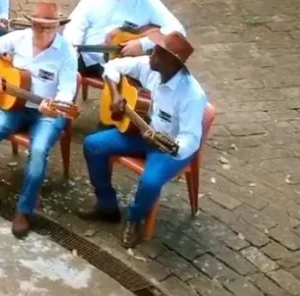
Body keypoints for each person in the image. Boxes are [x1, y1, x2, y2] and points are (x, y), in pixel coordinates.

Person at [0, 0, 78, 239]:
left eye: (48, 27)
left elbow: (66, 92)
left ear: (57, 27)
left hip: (47, 113)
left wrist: (55, 107)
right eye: (38, 26)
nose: (42, 32)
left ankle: (24, 210)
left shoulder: (67, 53)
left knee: (39, 149)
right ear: (31, 24)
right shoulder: (20, 38)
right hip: (14, 106)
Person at [79, 31, 207, 248]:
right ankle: (107, 205)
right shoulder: (152, 67)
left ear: (172, 62)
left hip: (168, 147)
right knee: (92, 145)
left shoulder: (192, 95)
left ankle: (134, 218)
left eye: (157, 52)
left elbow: (191, 139)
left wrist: (171, 146)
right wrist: (116, 94)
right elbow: (113, 66)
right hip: (143, 133)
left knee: (150, 182)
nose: (151, 54)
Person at [63, 0, 185, 78]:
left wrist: (143, 44)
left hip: (124, 65)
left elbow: (178, 31)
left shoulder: (148, 1)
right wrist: (72, 49)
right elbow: (75, 24)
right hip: (88, 57)